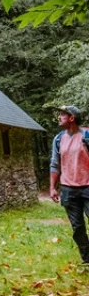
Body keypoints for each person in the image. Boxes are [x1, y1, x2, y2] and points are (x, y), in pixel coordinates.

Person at [50, 105, 89, 265]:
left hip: (88, 186)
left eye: (62, 115)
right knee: (77, 227)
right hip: (68, 189)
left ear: (71, 118)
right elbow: (55, 164)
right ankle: (87, 259)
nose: (59, 117)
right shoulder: (58, 139)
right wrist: (52, 187)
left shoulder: (86, 135)